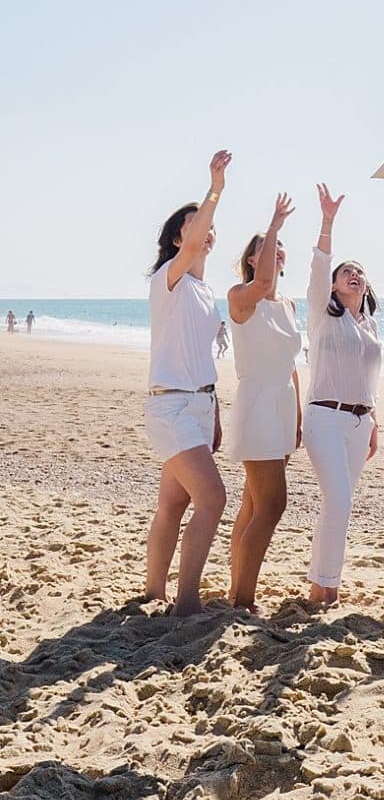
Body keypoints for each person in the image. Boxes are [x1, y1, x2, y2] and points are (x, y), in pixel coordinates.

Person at [142, 150, 232, 617]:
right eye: (196, 223)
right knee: (213, 499)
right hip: (171, 407)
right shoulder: (169, 277)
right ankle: (187, 602)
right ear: (181, 237)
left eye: (209, 223)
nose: (205, 229)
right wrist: (214, 188)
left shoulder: (204, 290)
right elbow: (194, 240)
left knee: (173, 503)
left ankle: (153, 591)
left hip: (198, 406)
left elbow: (200, 359)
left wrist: (213, 412)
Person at [304, 184, 383, 606]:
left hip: (359, 423)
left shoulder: (370, 326)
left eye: (359, 272)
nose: (354, 275)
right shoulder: (323, 315)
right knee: (339, 500)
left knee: (339, 505)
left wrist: (374, 423)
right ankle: (325, 591)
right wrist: (328, 222)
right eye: (345, 272)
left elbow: (369, 378)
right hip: (324, 419)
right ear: (334, 287)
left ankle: (322, 579)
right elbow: (319, 266)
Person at [225, 194, 302, 610]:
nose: (272, 252)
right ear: (253, 261)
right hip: (257, 403)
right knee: (272, 505)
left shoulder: (287, 305)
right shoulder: (241, 296)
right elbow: (264, 285)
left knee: (253, 503)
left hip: (284, 405)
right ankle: (244, 599)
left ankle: (237, 590)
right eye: (263, 249)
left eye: (275, 248)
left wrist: (299, 419)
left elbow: (291, 363)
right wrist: (274, 225)